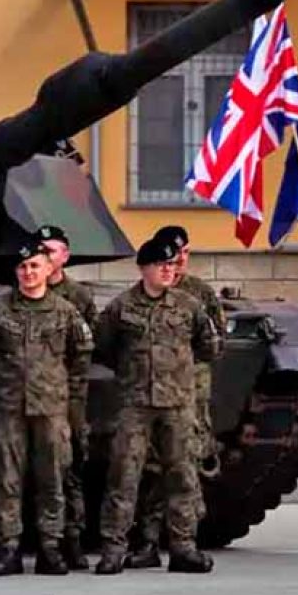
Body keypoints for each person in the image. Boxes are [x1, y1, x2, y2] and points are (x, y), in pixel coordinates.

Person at [92, 236, 221, 575]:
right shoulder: (121, 308)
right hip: (135, 405)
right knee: (124, 476)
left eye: (171, 264)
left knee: (182, 477)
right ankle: (114, 549)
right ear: (143, 268)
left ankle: (183, 547)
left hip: (177, 403)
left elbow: (208, 347)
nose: (168, 270)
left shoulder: (188, 306)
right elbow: (103, 347)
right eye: (160, 265)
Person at [0, 238, 93, 576]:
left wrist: (65, 395)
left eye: (35, 266)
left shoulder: (65, 312)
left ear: (49, 268)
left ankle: (50, 547)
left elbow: (80, 358)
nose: (28, 272)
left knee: (52, 479)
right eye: (23, 267)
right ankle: (7, 547)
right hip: (9, 408)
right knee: (7, 480)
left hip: (51, 409)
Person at [125, 225, 227, 569]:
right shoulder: (133, 299)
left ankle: (185, 540)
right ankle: (148, 541)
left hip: (189, 395)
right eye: (170, 254)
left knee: (184, 468)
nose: (177, 261)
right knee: (151, 468)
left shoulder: (199, 295)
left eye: (183, 253)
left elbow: (214, 344)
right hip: (147, 395)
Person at [37, 224, 97, 570]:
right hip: (19, 398)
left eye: (51, 250)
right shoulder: (15, 299)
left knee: (69, 466)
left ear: (65, 255)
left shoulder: (79, 298)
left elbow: (91, 347)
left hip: (68, 397)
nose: (44, 257)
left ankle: (71, 537)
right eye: (39, 250)